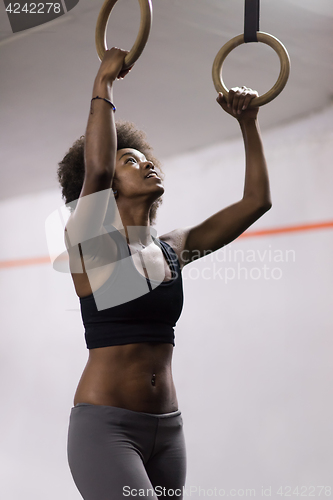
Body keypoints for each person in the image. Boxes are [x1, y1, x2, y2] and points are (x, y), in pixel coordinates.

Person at [57, 47, 271, 500]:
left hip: (168, 433)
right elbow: (95, 169)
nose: (146, 163)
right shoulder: (89, 243)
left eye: (145, 157)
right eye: (129, 161)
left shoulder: (173, 247)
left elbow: (256, 202)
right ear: (108, 188)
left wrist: (248, 123)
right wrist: (104, 84)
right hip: (106, 429)